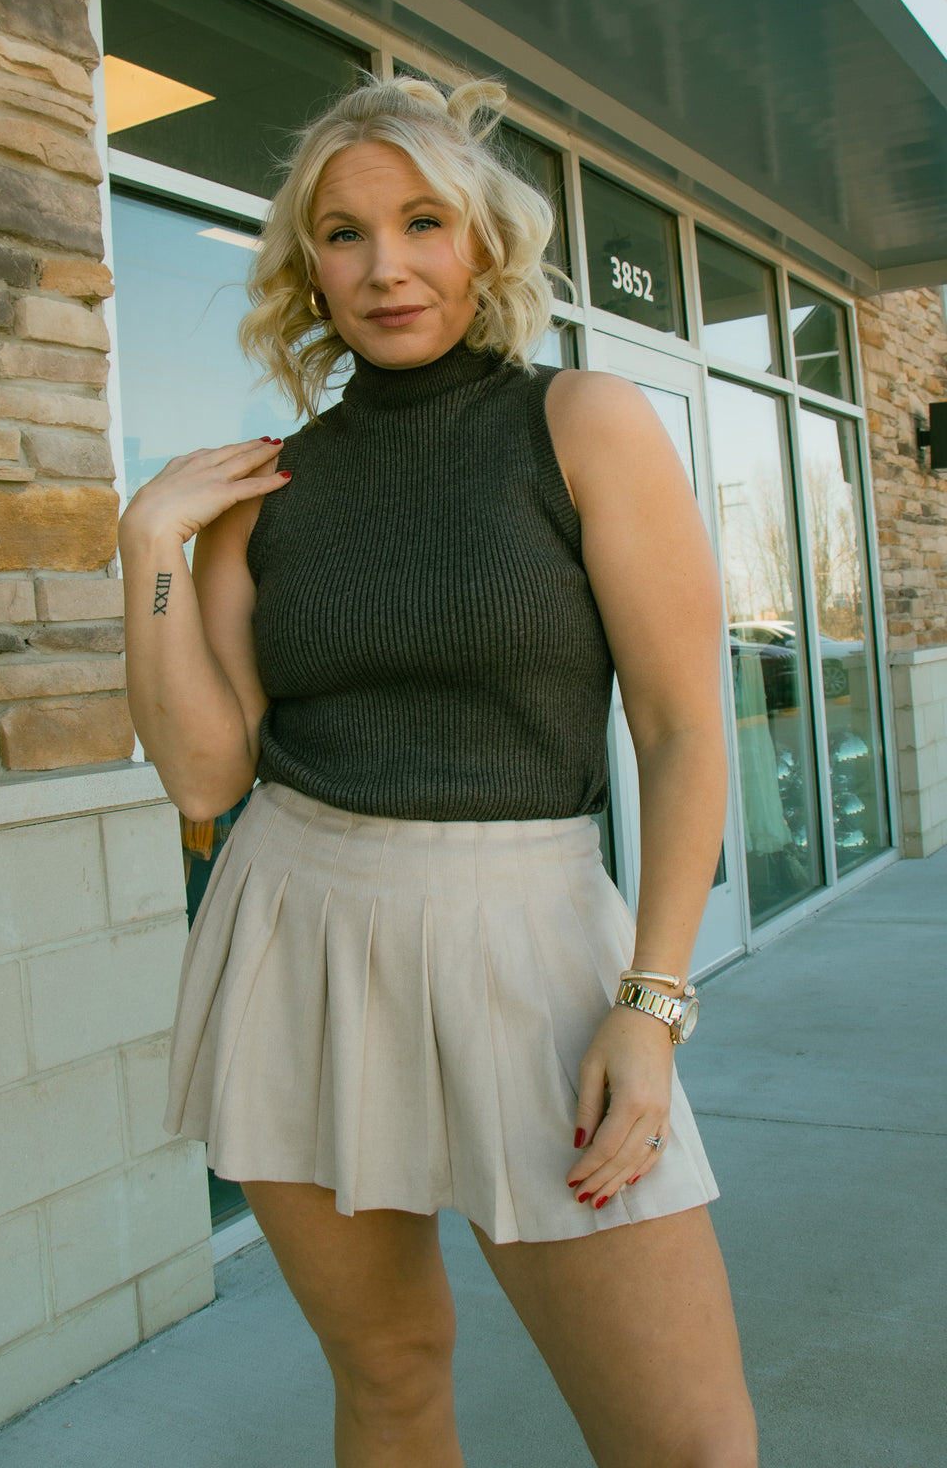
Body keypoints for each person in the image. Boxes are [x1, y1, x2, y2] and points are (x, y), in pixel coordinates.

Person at [119, 74, 757, 1468]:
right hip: (295, 931)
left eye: (422, 221)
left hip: (528, 938)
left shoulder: (582, 423)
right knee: (392, 1378)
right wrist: (150, 548)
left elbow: (681, 728)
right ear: (306, 268)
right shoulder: (265, 490)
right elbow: (202, 778)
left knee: (687, 1445)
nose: (386, 264)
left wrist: (653, 1001)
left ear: (485, 241)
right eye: (343, 235)